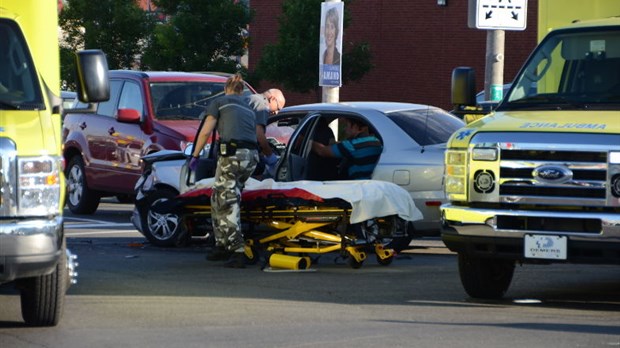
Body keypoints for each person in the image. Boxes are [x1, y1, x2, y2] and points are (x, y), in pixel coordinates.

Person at [189, 74, 259, 268]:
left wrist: (194, 156)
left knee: (227, 201)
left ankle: (237, 250)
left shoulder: (220, 102)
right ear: (241, 91)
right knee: (219, 197)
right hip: (251, 157)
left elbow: (205, 131)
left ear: (227, 88)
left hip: (232, 156)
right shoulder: (248, 108)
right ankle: (221, 244)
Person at [311, 117, 382, 180]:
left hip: (357, 185)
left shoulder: (352, 145)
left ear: (355, 127)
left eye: (346, 125)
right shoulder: (376, 141)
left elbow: (321, 151)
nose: (345, 129)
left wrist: (305, 141)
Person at [245, 88, 286, 176]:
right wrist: (270, 155)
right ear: (272, 99)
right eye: (278, 107)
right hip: (244, 154)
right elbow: (259, 134)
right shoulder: (262, 105)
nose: (276, 112)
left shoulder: (250, 98)